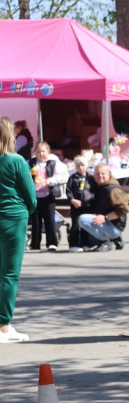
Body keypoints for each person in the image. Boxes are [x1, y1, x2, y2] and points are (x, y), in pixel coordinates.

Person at [0, 117, 36, 343]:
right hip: (13, 218)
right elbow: (31, 198)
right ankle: (3, 325)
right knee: (9, 273)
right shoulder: (17, 161)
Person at [78, 163, 129, 251]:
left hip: (114, 226)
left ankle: (108, 241)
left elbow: (124, 209)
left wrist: (105, 218)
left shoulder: (114, 189)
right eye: (97, 173)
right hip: (103, 224)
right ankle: (115, 241)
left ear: (109, 175)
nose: (100, 176)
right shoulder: (100, 187)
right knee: (80, 241)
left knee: (82, 219)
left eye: (103, 173)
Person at [28, 141, 69, 251]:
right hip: (35, 195)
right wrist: (29, 174)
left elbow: (58, 176)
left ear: (48, 152)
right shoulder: (31, 163)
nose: (41, 154)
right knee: (36, 221)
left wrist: (49, 181)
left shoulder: (52, 163)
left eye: (43, 151)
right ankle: (34, 243)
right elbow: (25, 176)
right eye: (38, 151)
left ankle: (52, 243)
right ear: (35, 152)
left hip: (48, 195)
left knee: (49, 220)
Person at [66, 157, 95, 252]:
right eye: (78, 166)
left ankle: (85, 244)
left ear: (86, 166)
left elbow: (93, 191)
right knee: (75, 225)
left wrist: (91, 201)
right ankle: (73, 245)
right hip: (75, 206)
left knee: (85, 225)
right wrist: (72, 200)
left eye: (83, 165)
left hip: (87, 205)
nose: (81, 168)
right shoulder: (72, 178)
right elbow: (68, 190)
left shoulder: (90, 178)